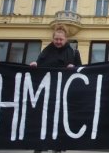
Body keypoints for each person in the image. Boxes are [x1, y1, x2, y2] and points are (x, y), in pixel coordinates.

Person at [30, 25, 81, 153]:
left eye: (61, 39)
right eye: (56, 39)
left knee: (60, 119)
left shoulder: (74, 52)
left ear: (66, 39)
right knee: (44, 119)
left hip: (64, 92)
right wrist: (35, 64)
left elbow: (80, 69)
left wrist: (73, 67)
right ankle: (40, 146)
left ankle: (59, 146)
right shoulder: (46, 51)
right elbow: (39, 64)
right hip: (47, 92)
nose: (58, 42)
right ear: (53, 39)